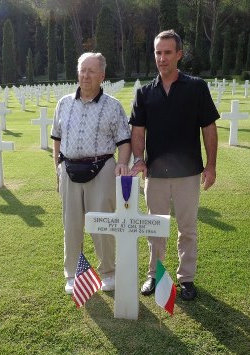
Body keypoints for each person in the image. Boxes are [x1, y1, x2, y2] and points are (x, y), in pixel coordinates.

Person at [129, 30, 219, 301]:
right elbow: (137, 132)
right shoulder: (144, 93)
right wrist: (139, 159)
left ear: (179, 54)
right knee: (155, 229)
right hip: (155, 174)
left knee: (187, 229)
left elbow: (209, 128)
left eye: (168, 52)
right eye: (158, 52)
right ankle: (155, 275)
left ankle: (186, 279)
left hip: (188, 173)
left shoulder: (196, 88)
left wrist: (211, 165)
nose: (162, 58)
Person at [51, 52, 131, 294]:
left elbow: (124, 141)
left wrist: (123, 163)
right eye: (82, 70)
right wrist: (57, 167)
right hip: (69, 169)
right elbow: (57, 137)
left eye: (91, 71)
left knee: (103, 223)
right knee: (71, 224)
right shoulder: (64, 103)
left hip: (102, 168)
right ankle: (73, 274)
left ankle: (108, 272)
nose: (85, 75)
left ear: (102, 76)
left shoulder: (113, 106)